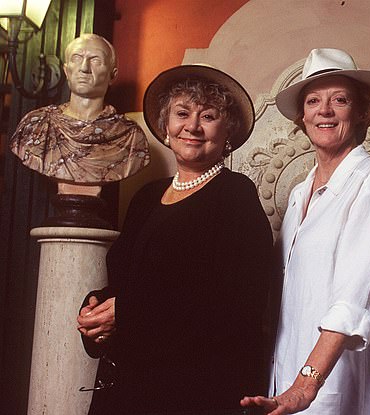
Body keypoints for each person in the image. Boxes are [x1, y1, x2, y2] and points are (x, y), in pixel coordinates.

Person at [76, 64, 275, 414]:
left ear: (227, 131)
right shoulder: (147, 197)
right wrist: (98, 308)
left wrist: (126, 313)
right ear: (167, 127)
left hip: (193, 390)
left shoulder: (236, 195)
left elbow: (238, 305)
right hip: (129, 384)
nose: (193, 126)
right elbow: (128, 281)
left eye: (208, 116)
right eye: (182, 113)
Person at [241, 48, 370, 414]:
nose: (324, 110)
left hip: (335, 387)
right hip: (287, 381)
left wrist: (306, 385)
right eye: (313, 100)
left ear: (362, 111)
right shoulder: (300, 193)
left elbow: (355, 298)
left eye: (340, 100)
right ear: (303, 116)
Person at [10, 33, 149, 192]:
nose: (84, 68)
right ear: (66, 70)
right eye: (76, 58)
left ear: (113, 75)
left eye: (96, 60)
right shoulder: (35, 126)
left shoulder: (130, 136)